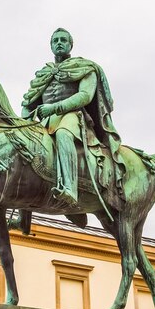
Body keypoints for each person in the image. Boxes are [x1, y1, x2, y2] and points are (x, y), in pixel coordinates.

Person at [21, 28, 124, 207]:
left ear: (70, 45)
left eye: (63, 40)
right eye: (55, 41)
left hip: (73, 117)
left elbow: (85, 95)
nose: (59, 43)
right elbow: (28, 103)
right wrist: (24, 122)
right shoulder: (44, 73)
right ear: (51, 46)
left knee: (63, 135)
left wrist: (54, 107)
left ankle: (69, 188)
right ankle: (23, 216)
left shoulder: (84, 67)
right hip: (46, 121)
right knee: (23, 150)